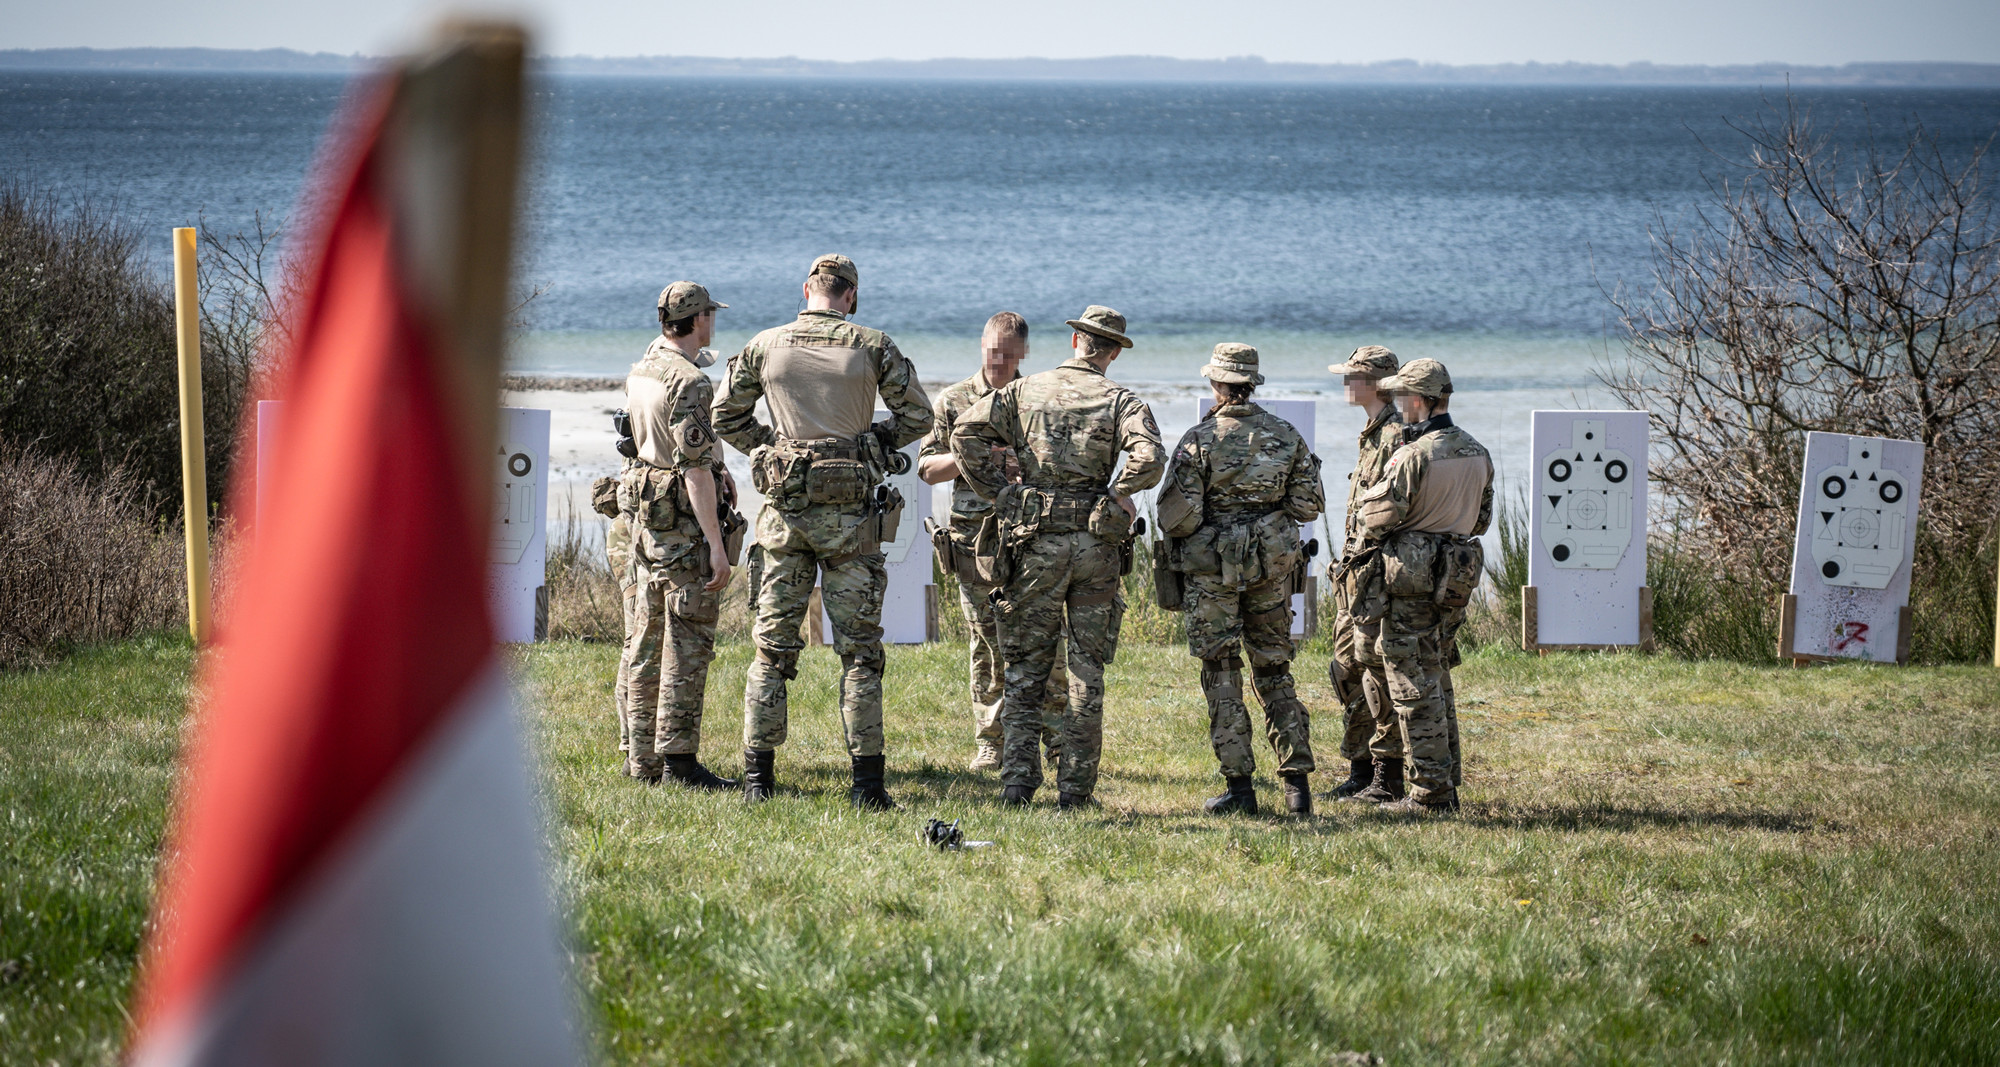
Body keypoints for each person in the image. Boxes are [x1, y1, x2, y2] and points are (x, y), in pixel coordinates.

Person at [711, 254, 932, 809]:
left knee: (770, 650)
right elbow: (918, 417)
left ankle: (758, 781)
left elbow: (724, 416)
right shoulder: (873, 343)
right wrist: (871, 446)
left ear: (807, 289)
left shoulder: (766, 345)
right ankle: (867, 787)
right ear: (850, 296)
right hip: (852, 522)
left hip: (784, 519)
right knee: (859, 654)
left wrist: (770, 451)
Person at [951, 305, 1163, 809]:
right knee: (1086, 668)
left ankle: (1018, 783)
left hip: (1034, 541)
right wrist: (1115, 494)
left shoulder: (1025, 391)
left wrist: (1000, 492)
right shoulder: (1121, 400)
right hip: (1095, 544)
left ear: (1075, 342)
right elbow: (1150, 457)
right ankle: (1076, 790)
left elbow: (964, 433)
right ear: (1112, 352)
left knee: (1025, 663)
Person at [1155, 344, 1324, 817]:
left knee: (1222, 671)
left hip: (1213, 576)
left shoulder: (1200, 439)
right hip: (1271, 572)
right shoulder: (1286, 436)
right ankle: (1297, 788)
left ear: (1217, 385)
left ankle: (1241, 790)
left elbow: (1176, 518)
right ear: (1251, 383)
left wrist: (1219, 523)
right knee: (1273, 668)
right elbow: (1308, 506)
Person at [917, 311, 1066, 774]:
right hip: (974, 542)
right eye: (990, 351)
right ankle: (991, 740)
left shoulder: (1038, 400)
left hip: (1031, 537)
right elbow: (925, 468)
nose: (997, 361)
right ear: (981, 345)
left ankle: (1056, 740)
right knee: (986, 642)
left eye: (1007, 353)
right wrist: (974, 459)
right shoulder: (954, 399)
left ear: (1023, 353)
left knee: (1046, 641)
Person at [1349, 358, 1492, 814]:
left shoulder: (1415, 454)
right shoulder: (1476, 450)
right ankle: (1446, 779)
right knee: (1438, 677)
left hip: (1410, 584)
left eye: (1402, 395)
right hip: (1453, 580)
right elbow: (1483, 520)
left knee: (1411, 685)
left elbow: (1376, 518)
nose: (1399, 403)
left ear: (1418, 399)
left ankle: (1430, 794)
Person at [620, 281, 741, 789]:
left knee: (644, 640)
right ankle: (679, 762)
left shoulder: (645, 366)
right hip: (681, 526)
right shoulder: (690, 382)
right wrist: (716, 545)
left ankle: (638, 755)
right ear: (697, 320)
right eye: (709, 313)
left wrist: (717, 462)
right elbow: (692, 470)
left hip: (646, 519)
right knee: (688, 644)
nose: (713, 321)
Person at [1322, 346, 1408, 801]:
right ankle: (1360, 766)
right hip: (1353, 576)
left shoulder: (1396, 436)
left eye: (1352, 377)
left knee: (1375, 671)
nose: (1344, 384)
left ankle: (1386, 773)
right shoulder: (1371, 433)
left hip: (1375, 577)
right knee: (1347, 668)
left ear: (1376, 384)